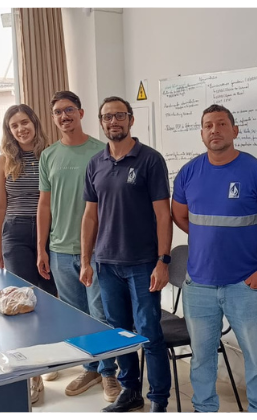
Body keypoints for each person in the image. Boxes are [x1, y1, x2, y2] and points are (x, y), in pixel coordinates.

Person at [171, 104, 257, 412]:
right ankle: (204, 410)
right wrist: (207, 236)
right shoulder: (189, 172)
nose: (214, 130)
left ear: (234, 131)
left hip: (244, 285)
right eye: (208, 125)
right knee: (201, 358)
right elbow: (179, 215)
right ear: (201, 133)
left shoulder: (255, 171)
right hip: (199, 286)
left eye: (221, 124)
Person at [81, 96, 172, 412]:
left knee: (149, 334)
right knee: (118, 333)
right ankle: (130, 391)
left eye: (119, 115)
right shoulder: (95, 163)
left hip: (143, 263)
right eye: (107, 117)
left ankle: (159, 400)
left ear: (131, 119)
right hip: (107, 264)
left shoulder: (150, 160)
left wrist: (163, 261)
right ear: (101, 122)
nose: (113, 121)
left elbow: (163, 215)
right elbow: (90, 216)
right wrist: (86, 260)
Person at [36, 91, 120, 402]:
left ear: (81, 113)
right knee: (76, 317)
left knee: (100, 314)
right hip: (59, 250)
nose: (64, 116)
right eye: (58, 112)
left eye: (69, 109)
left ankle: (110, 373)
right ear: (53, 118)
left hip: (98, 251)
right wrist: (42, 248)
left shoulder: (101, 151)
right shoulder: (48, 156)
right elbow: (44, 205)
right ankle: (90, 368)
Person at [0, 104, 58, 404]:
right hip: (16, 231)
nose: (21, 129)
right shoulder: (3, 161)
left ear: (35, 123)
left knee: (50, 297)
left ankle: (50, 355)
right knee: (21, 302)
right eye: (14, 125)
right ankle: (32, 374)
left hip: (49, 231)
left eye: (25, 122)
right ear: (9, 131)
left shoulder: (51, 154)